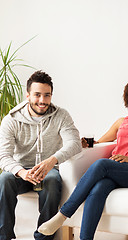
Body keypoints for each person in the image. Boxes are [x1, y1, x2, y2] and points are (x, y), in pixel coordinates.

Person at [38, 77, 128, 240]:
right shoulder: (121, 122)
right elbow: (101, 141)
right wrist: (86, 145)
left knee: (102, 164)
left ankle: (63, 214)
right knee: (99, 187)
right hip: (115, 170)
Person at [0, 70, 82, 240]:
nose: (42, 101)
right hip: (21, 171)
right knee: (4, 179)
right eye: (37, 95)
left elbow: (74, 143)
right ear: (28, 95)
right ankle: (3, 236)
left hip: (49, 170)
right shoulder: (11, 119)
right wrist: (21, 172)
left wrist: (52, 161)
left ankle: (44, 236)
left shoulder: (61, 115)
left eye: (47, 95)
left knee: (52, 180)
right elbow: (3, 155)